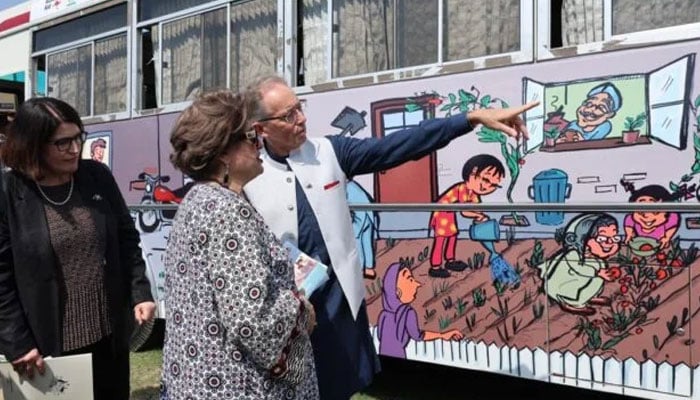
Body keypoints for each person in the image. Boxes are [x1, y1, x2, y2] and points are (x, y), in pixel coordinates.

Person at [243, 75, 537, 399]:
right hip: (287, 316)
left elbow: (400, 145)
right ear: (260, 128)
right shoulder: (247, 176)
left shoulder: (329, 151)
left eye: (299, 108)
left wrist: (468, 119)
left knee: (338, 388)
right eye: (288, 115)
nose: (301, 118)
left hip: (338, 306)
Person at [161, 89, 319, 400]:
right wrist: (302, 310)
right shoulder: (225, 211)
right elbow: (252, 320)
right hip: (236, 386)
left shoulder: (199, 199)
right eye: (251, 137)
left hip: (202, 381)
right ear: (222, 152)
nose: (260, 144)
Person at [0, 97, 156, 399]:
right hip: (46, 349)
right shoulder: (9, 193)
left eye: (78, 138)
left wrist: (139, 291)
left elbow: (126, 238)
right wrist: (17, 342)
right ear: (32, 145)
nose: (74, 149)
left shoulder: (96, 177)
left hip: (107, 338)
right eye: (62, 143)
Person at [428, 154, 505, 278]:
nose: (487, 187)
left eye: (493, 185)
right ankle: (435, 266)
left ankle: (450, 260)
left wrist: (481, 216)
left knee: (452, 236)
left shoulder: (473, 193)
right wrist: (478, 216)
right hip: (442, 213)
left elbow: (474, 208)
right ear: (473, 173)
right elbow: (464, 211)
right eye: (486, 180)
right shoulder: (463, 188)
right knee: (440, 239)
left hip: (449, 214)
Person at [537, 213, 620, 316]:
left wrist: (601, 273)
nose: (610, 243)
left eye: (614, 238)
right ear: (583, 239)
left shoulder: (595, 258)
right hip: (564, 285)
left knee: (598, 271)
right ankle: (572, 303)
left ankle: (588, 296)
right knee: (593, 274)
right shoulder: (573, 254)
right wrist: (597, 272)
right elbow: (578, 268)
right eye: (602, 239)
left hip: (583, 281)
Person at [377, 262, 463, 358]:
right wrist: (442, 335)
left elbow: (380, 336)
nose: (417, 284)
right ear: (397, 292)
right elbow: (418, 336)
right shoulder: (408, 313)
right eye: (410, 279)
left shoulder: (384, 314)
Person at [623, 184, 680, 249]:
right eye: (641, 211)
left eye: (655, 212)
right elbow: (628, 220)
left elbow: (673, 221)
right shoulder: (632, 218)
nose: (646, 216)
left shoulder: (671, 217)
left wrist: (667, 237)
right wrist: (629, 234)